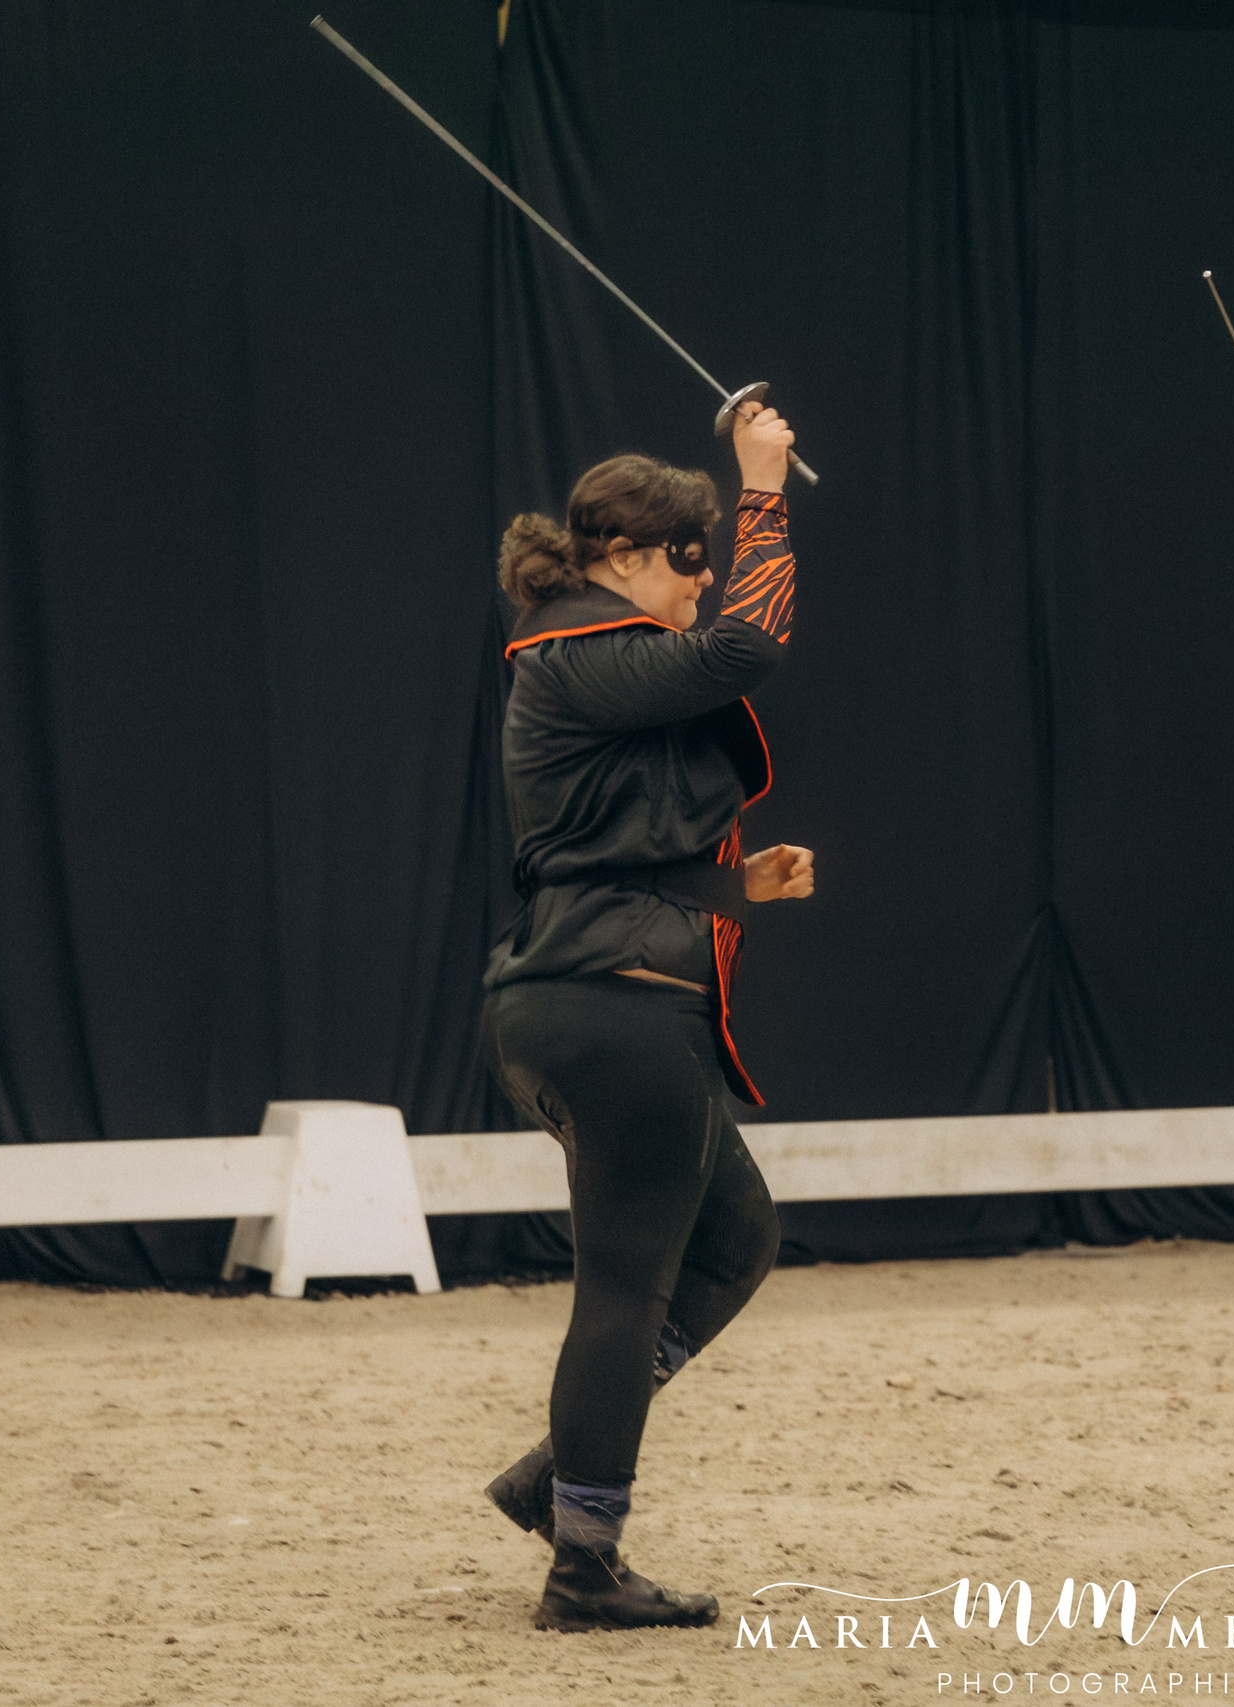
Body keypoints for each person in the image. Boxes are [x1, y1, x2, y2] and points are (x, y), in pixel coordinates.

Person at [476, 403, 811, 1633]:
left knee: (736, 1239)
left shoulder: (586, 661)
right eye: (687, 556)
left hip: (589, 997)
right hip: (610, 1011)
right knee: (624, 1289)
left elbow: (607, 855)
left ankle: (559, 1475)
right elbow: (747, 644)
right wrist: (763, 485)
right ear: (619, 555)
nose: (704, 576)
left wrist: (736, 885)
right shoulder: (572, 646)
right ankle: (583, 1567)